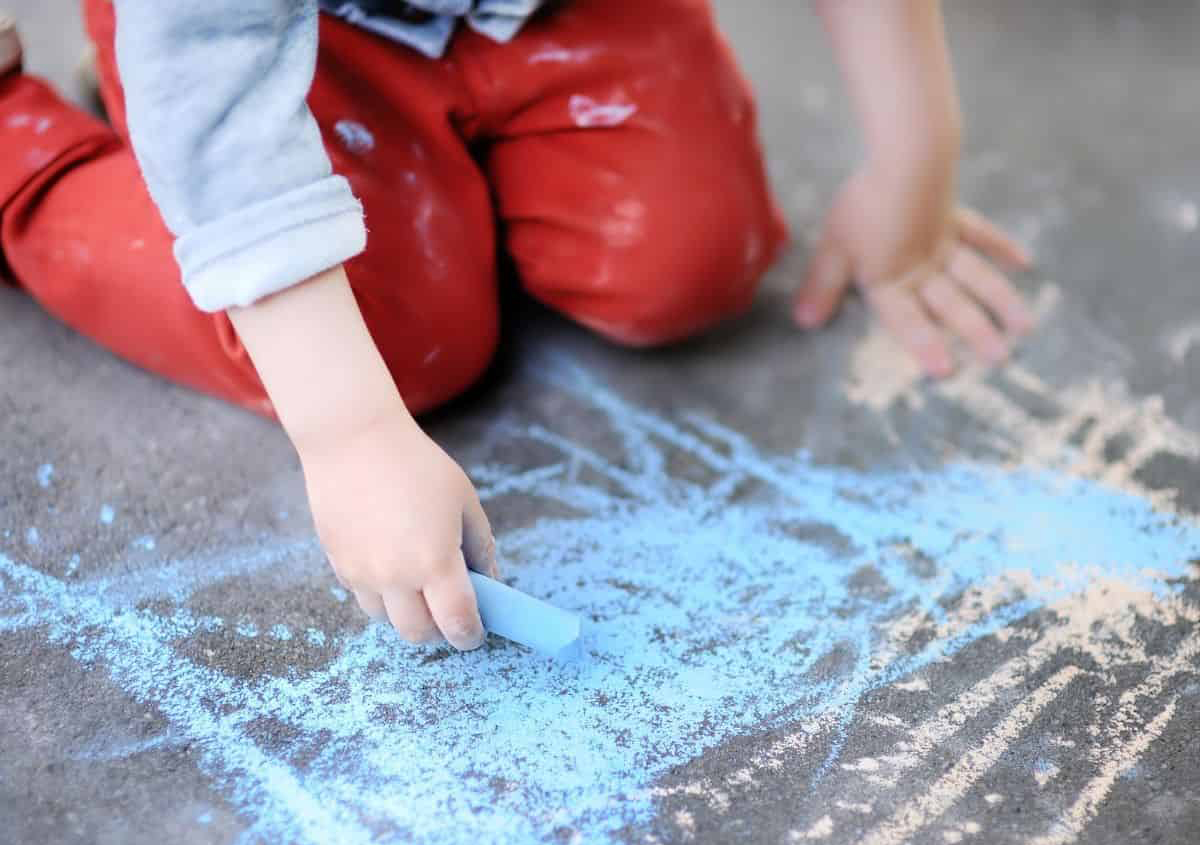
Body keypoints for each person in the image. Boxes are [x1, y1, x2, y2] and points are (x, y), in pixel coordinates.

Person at [0, 1, 1033, 652]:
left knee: (686, 260)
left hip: (549, 11)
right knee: (405, 348)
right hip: (260, 37)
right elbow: (213, 72)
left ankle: (435, 176)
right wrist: (349, 431)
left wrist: (915, 152)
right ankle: (22, 142)